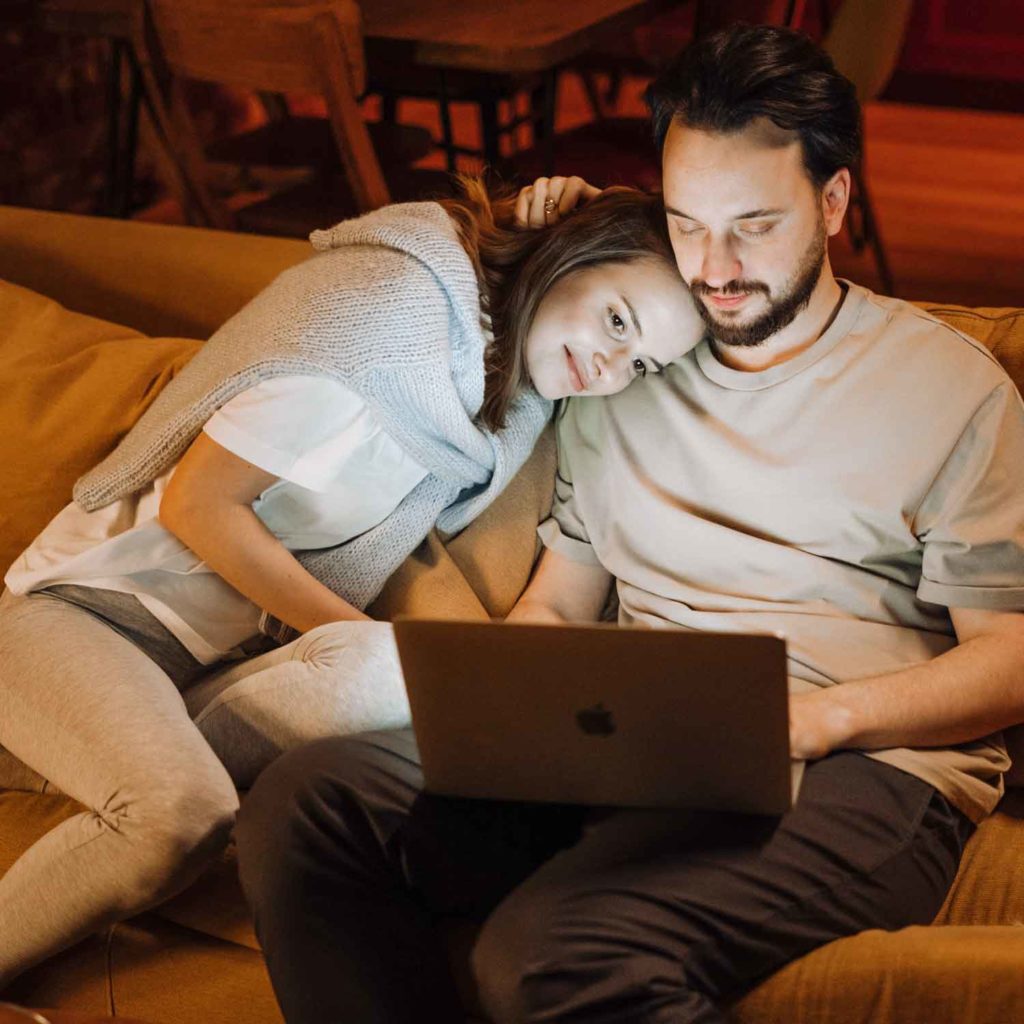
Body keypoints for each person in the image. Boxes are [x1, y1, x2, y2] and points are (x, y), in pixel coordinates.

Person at [234, 24, 1024, 1024]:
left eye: (754, 224)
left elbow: (1009, 658)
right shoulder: (626, 361)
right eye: (688, 221)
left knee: (548, 953)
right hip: (637, 739)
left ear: (832, 202)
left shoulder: (950, 390)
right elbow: (560, 597)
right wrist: (497, 714)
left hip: (864, 772)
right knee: (308, 803)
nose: (716, 264)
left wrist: (821, 718)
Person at [0, 180, 704, 990]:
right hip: (81, 619)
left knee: (396, 677)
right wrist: (344, 631)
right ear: (570, 257)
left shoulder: (496, 393)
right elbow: (200, 504)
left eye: (642, 363)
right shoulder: (382, 314)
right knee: (182, 811)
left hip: (200, 674)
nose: (614, 367)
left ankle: (138, 761)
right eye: (619, 321)